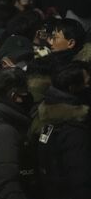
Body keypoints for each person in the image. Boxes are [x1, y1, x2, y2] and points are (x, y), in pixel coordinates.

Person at [0, 68, 39, 199]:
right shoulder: (4, 132)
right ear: (13, 95)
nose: (29, 99)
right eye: (25, 94)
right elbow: (6, 183)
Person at [35, 62, 91, 199]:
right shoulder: (74, 131)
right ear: (72, 88)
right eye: (88, 82)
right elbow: (80, 180)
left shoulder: (45, 119)